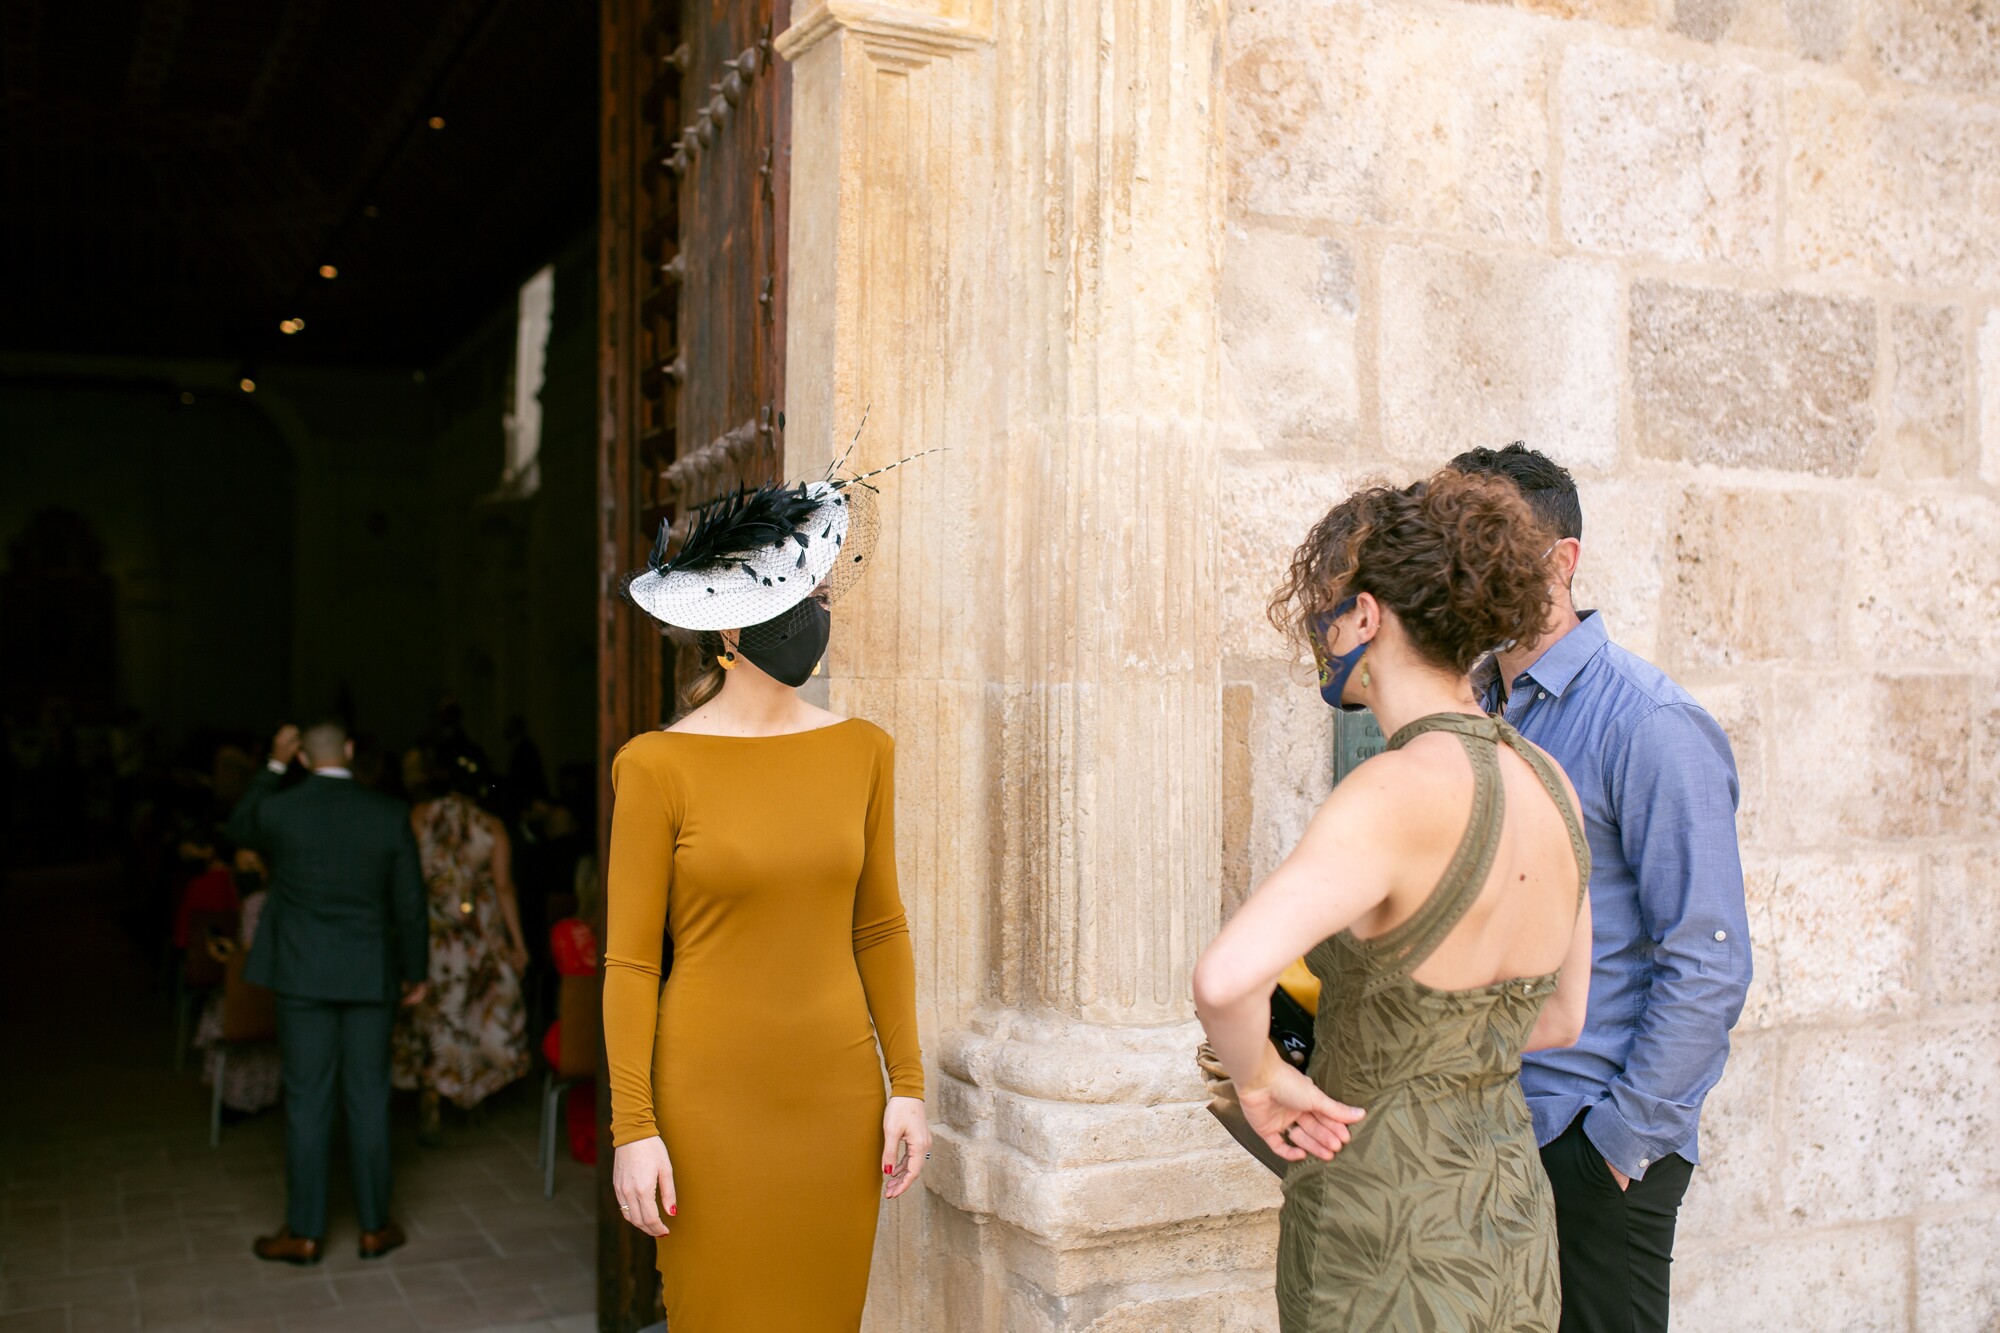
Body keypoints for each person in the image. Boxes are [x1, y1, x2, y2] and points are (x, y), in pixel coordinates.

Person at [1193, 469, 1596, 1332]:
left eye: (1332, 608)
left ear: (1368, 617)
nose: (1322, 630)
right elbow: (1563, 1017)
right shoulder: (1550, 779)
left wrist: (1262, 1079)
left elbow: (1227, 980)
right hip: (1510, 1226)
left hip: (1385, 1234)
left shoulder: (1392, 790)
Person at [604, 462, 930, 1332]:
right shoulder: (655, 766)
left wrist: (908, 1085)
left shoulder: (864, 749)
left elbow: (880, 926)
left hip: (835, 1100)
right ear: (729, 627)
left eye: (816, 596)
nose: (813, 618)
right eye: (795, 600)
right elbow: (631, 961)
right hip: (707, 1104)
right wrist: (633, 1128)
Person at [1449, 443, 1752, 1333]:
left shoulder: (1650, 723)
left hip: (1588, 1148)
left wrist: (1615, 1147)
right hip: (1485, 1143)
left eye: (1490, 551)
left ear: (1562, 561)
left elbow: (1709, 958)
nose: (1467, 578)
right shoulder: (1475, 715)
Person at [227, 719, 428, 1265]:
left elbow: (238, 825)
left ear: (302, 758)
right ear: (350, 751)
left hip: (301, 975)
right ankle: (373, 1228)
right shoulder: (387, 813)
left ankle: (305, 1232)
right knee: (368, 1099)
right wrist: (416, 972)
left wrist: (271, 766)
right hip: (369, 974)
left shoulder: (281, 807)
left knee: (307, 1101)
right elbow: (410, 902)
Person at [392, 745, 532, 1144]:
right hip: (478, 934)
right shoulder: (491, 825)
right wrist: (517, 944)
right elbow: (504, 888)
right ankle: (472, 1095)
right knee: (476, 1012)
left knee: (434, 1014)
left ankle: (431, 1096)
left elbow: (407, 880)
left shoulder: (418, 818)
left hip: (434, 932)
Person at [194, 847, 283, 1117]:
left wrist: (229, 956)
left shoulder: (256, 902)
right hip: (285, 992)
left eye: (252, 864)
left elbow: (251, 957)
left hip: (257, 995)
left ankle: (235, 1099)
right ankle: (264, 1093)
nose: (246, 872)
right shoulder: (286, 899)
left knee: (218, 1014)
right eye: (240, 865)